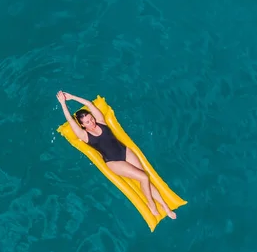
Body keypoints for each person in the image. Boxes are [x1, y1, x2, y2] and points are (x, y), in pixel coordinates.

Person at [56, 91, 176, 219]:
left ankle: (164, 205)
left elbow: (89, 104)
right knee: (144, 177)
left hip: (124, 151)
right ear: (82, 125)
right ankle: (151, 204)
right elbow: (70, 120)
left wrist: (72, 97)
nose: (91, 122)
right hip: (113, 162)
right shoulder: (84, 136)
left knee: (145, 179)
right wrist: (63, 103)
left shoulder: (101, 121)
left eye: (91, 119)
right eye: (87, 122)